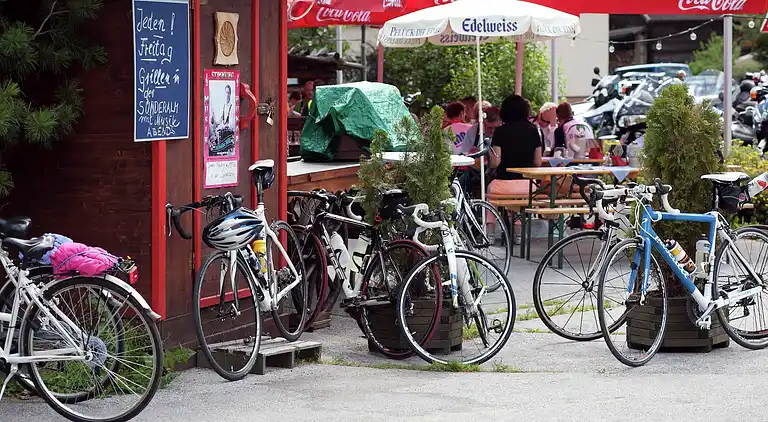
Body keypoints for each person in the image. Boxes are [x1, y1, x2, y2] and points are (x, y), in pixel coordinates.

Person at [488, 95, 542, 196]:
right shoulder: (534, 130)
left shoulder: (500, 131)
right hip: (529, 186)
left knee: (489, 191)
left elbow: (495, 162)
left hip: (504, 184)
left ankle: (492, 212)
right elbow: (538, 162)